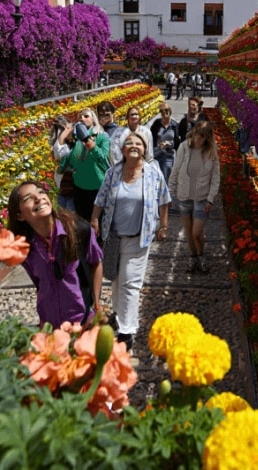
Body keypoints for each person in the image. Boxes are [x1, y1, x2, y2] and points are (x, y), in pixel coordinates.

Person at [91, 132, 170, 351]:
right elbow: (101, 198)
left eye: (138, 143)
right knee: (116, 279)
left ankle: (127, 330)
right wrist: (95, 218)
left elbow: (164, 199)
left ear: (145, 149)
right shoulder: (113, 173)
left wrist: (163, 226)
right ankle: (118, 314)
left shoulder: (153, 174)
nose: (134, 146)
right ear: (123, 150)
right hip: (114, 237)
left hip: (139, 238)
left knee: (130, 284)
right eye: (129, 143)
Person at [7, 180, 104, 329]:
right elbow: (39, 283)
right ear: (19, 215)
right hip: (48, 326)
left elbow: (96, 263)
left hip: (82, 323)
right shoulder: (25, 247)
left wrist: (97, 305)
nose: (38, 198)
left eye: (40, 192)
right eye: (28, 198)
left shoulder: (79, 230)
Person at [168, 120, 220, 274]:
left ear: (207, 138)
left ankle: (202, 256)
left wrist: (211, 198)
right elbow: (176, 169)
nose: (198, 139)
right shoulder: (184, 147)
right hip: (184, 195)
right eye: (197, 135)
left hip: (202, 197)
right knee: (188, 230)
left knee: (196, 233)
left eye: (202, 137)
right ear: (193, 134)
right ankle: (193, 258)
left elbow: (216, 177)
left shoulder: (211, 151)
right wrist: (171, 192)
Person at [68, 107, 111, 222]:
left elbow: (104, 158)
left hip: (97, 186)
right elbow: (72, 160)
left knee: (96, 221)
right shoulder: (76, 139)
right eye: (80, 117)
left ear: (93, 119)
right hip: (79, 185)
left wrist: (90, 144)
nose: (82, 118)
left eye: (86, 116)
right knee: (82, 221)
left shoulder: (102, 136)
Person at [49, 115, 77, 212]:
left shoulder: (77, 142)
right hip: (63, 188)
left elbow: (61, 154)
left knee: (71, 217)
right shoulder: (62, 143)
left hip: (73, 189)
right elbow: (58, 154)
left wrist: (65, 134)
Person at [150, 103, 179, 181]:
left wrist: (169, 144)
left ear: (170, 110)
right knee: (156, 177)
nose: (164, 112)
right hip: (157, 153)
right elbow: (151, 137)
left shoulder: (174, 125)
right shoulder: (157, 123)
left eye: (166, 110)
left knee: (165, 177)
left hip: (168, 154)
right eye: (161, 111)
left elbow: (177, 142)